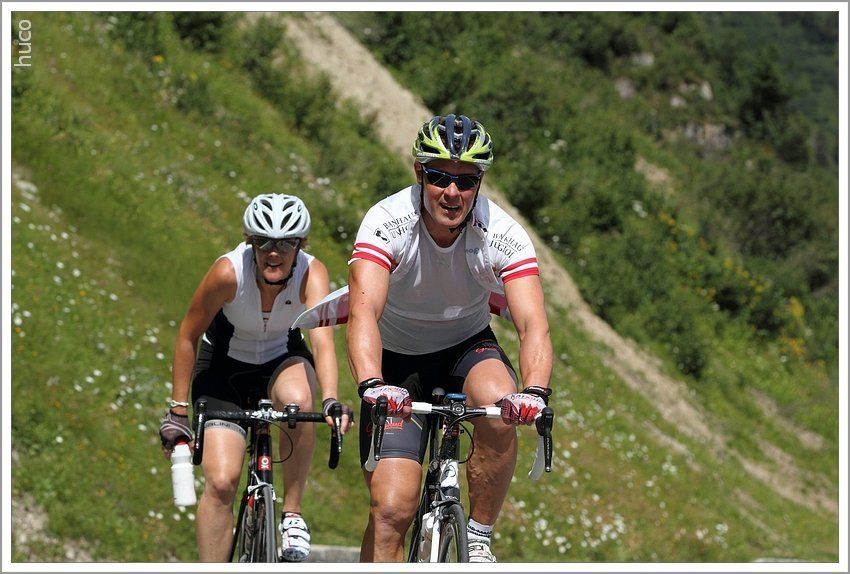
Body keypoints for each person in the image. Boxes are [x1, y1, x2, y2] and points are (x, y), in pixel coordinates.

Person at [347, 114, 554, 562]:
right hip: (396, 363)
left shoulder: (502, 233)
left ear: (480, 183)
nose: (452, 192)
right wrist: (372, 383)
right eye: (439, 176)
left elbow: (533, 324)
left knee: (500, 403)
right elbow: (363, 311)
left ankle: (477, 535)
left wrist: (535, 391)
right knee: (391, 513)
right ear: (419, 173)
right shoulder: (387, 220)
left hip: (466, 346)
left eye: (466, 180)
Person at [158, 193, 353, 562]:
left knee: (300, 400)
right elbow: (187, 335)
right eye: (263, 242)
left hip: (281, 360)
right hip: (223, 371)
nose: (273, 253)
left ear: (301, 245)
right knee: (221, 482)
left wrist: (330, 398)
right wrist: (178, 410)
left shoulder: (312, 273)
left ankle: (292, 515)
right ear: (250, 242)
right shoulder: (228, 273)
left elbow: (322, 342)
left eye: (285, 244)